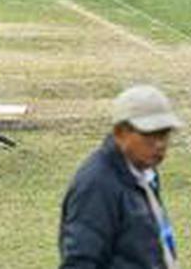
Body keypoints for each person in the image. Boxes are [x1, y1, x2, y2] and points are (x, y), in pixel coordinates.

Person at [59, 85, 183, 269]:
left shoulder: (144, 171)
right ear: (120, 132)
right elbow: (81, 261)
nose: (160, 144)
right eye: (149, 134)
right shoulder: (97, 185)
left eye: (164, 134)